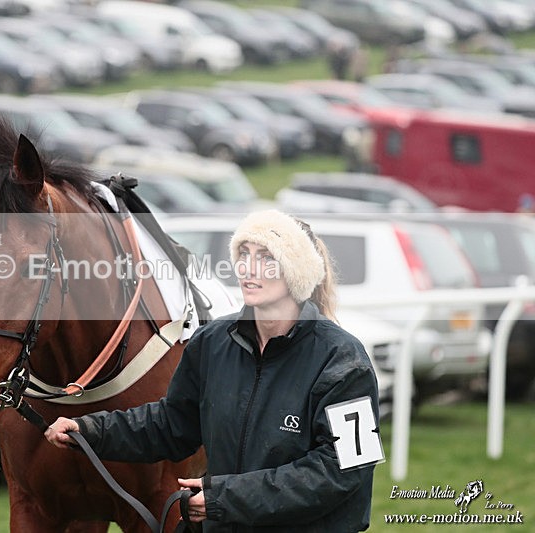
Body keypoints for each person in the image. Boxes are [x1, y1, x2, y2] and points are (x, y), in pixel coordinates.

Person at [46, 210, 381, 532]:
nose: (249, 267)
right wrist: (90, 430)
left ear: (297, 269)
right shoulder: (212, 343)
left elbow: (344, 470)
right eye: (244, 254)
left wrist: (226, 498)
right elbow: (170, 425)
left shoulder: (344, 360)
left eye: (265, 257)